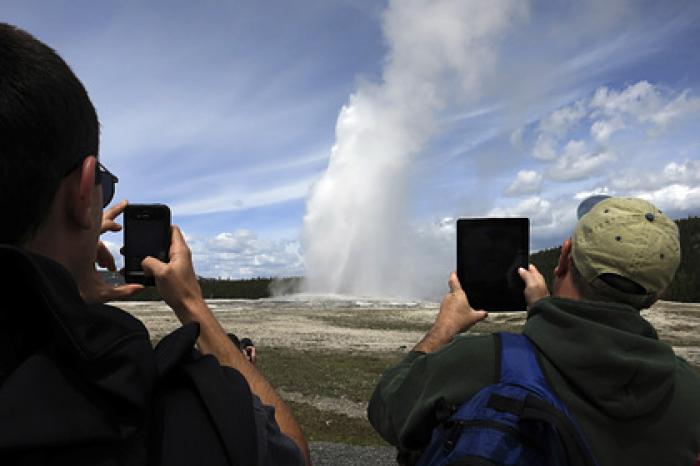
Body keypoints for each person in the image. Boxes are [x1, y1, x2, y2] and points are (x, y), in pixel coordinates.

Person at [0, 23, 309, 465]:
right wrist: (192, 306)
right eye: (102, 186)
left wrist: (58, 298)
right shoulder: (155, 409)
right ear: (84, 191)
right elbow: (292, 453)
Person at [368, 196, 700, 465]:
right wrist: (543, 313)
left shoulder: (481, 362)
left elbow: (387, 407)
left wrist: (443, 330)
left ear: (564, 256)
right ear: (657, 295)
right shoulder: (688, 390)